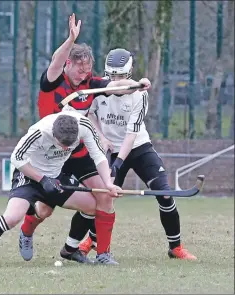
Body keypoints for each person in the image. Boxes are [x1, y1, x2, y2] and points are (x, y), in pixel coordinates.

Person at [18, 13, 151, 265]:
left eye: (87, 71)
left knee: (104, 196)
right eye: (79, 70)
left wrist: (138, 84)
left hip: (79, 153)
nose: (83, 76)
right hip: (51, 155)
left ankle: (103, 254)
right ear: (68, 64)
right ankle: (26, 231)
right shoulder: (53, 81)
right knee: (44, 210)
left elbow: (115, 87)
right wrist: (70, 39)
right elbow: (56, 61)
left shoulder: (90, 82)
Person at [0, 111, 122, 268]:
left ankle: (70, 249)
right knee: (11, 218)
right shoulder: (39, 132)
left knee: (92, 206)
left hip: (56, 176)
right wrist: (42, 180)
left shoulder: (83, 126)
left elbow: (99, 156)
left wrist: (108, 184)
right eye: (62, 145)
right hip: (28, 176)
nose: (66, 148)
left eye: (70, 144)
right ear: (53, 133)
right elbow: (17, 158)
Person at [78, 48, 197, 260]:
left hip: (138, 148)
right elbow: (89, 115)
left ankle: (175, 247)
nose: (116, 81)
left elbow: (131, 135)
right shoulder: (97, 89)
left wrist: (118, 164)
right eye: (112, 76)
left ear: (130, 72)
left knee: (165, 194)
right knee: (103, 198)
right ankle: (91, 241)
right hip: (111, 149)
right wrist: (102, 139)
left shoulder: (139, 95)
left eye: (121, 76)